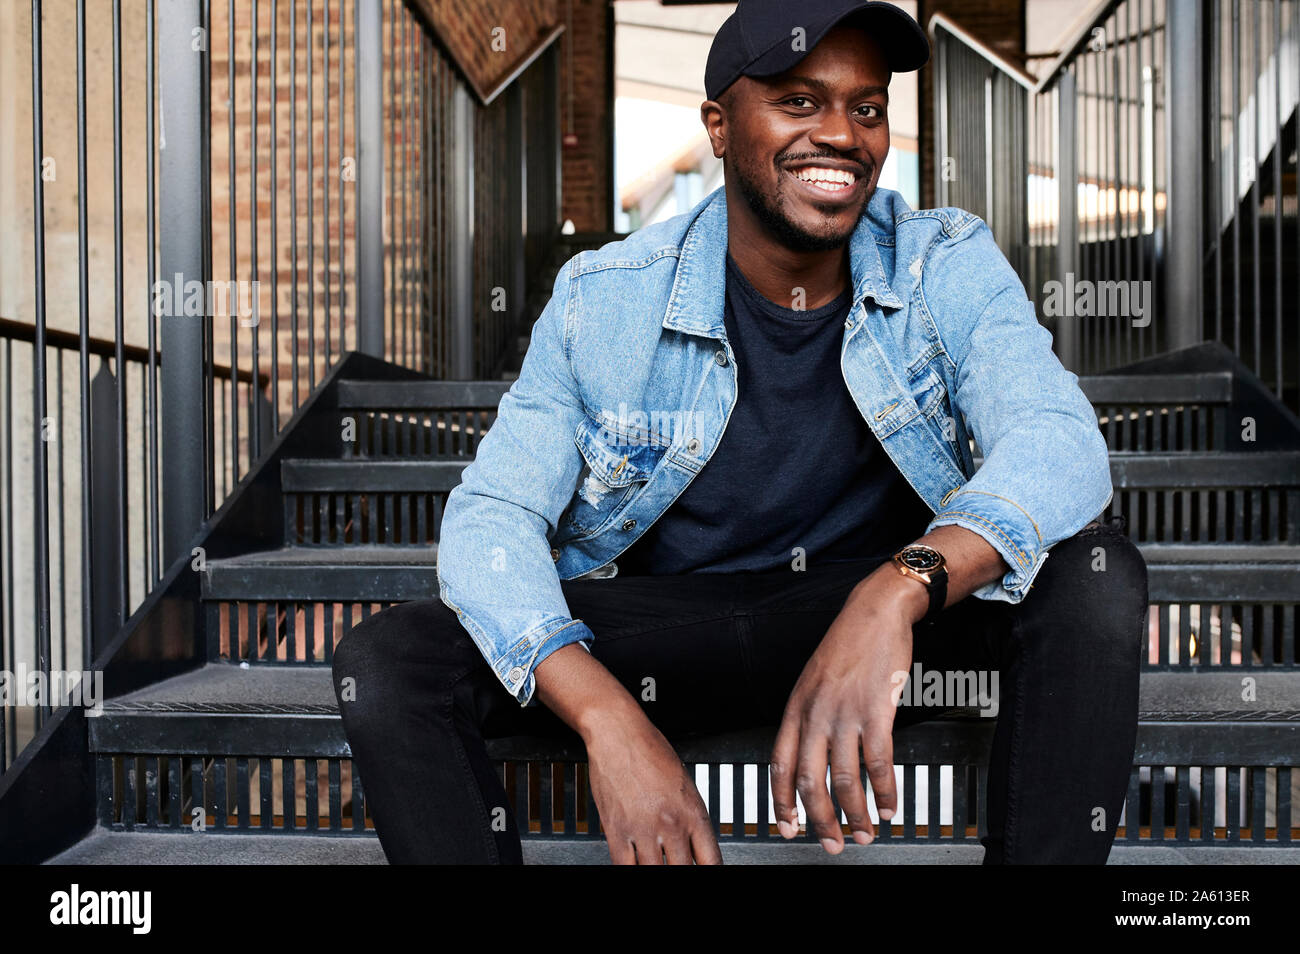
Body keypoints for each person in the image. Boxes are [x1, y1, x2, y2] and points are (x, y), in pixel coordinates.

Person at [333, 0, 1147, 865]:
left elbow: (1058, 441)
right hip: (677, 628)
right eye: (799, 102)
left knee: (1093, 576)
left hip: (872, 621)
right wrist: (611, 718)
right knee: (393, 659)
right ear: (719, 128)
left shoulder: (940, 258)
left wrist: (899, 588)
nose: (840, 133)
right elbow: (492, 519)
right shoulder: (604, 296)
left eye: (865, 107)